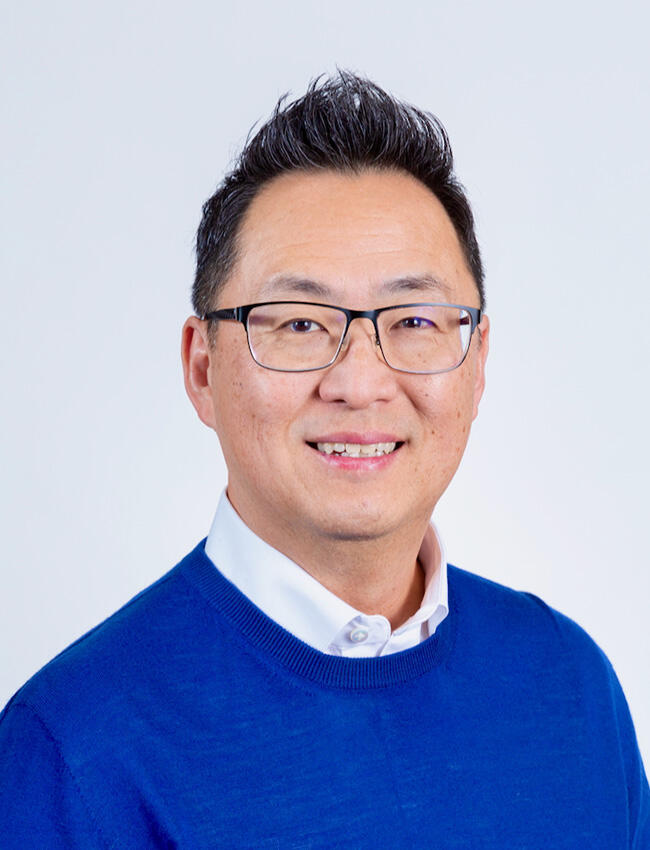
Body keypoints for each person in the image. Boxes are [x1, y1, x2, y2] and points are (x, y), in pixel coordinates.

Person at [1, 72, 648, 848]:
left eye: (414, 319)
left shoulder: (569, 686)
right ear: (202, 369)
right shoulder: (71, 753)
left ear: (478, 363)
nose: (361, 382)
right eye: (301, 324)